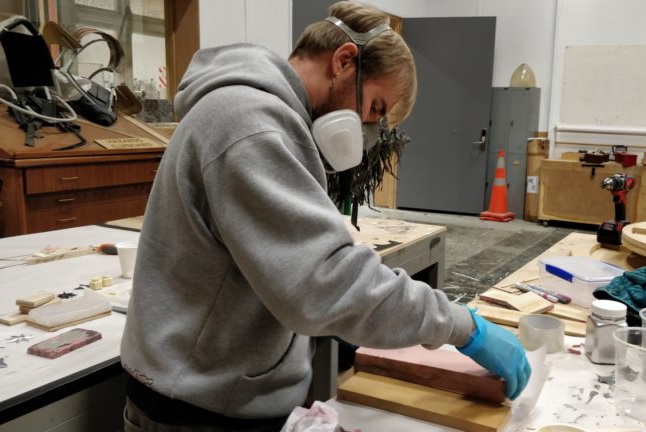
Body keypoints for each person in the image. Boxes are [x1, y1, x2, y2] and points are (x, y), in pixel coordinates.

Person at [120, 2, 531, 431]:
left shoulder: (268, 117)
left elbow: (290, 275)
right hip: (196, 410)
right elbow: (322, 282)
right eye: (374, 108)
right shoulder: (250, 124)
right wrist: (463, 327)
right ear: (344, 61)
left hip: (211, 389)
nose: (368, 130)